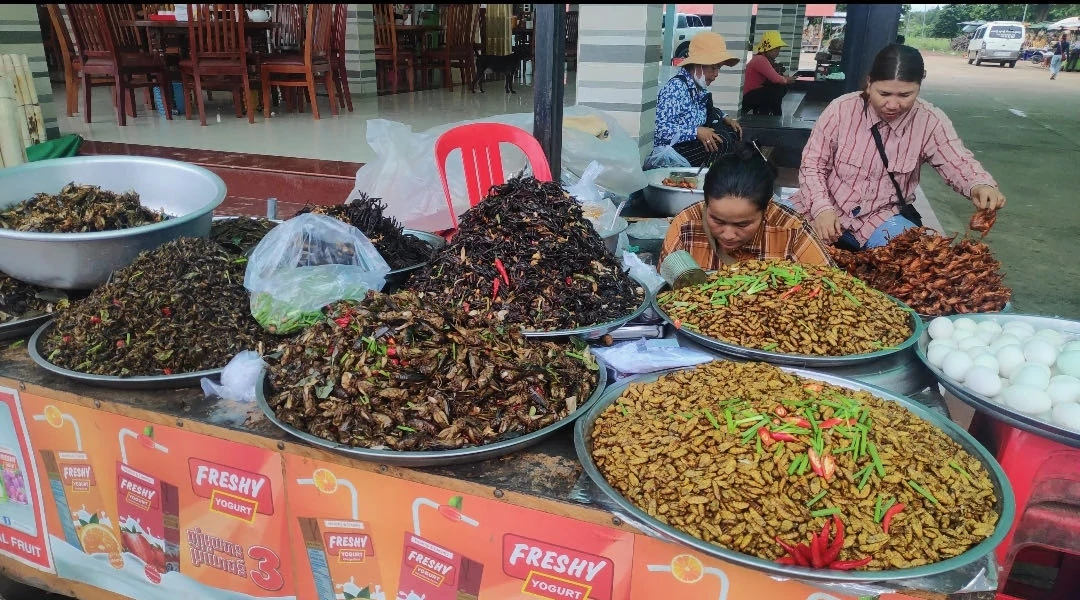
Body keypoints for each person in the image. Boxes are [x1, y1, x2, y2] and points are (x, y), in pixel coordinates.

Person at [791, 44, 1006, 251]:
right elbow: (813, 166)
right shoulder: (841, 110)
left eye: (905, 95)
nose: (893, 105)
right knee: (770, 235)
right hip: (825, 208)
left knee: (922, 265)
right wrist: (822, 209)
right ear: (869, 83)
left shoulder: (930, 121)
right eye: (883, 94)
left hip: (880, 218)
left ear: (919, 86)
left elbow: (957, 160)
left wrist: (979, 185)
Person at [659, 142, 832, 270]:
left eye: (742, 224)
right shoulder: (686, 224)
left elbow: (832, 291)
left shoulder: (792, 230)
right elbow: (664, 292)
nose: (728, 235)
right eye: (716, 220)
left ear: (766, 209)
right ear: (706, 203)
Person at [652, 32, 744, 167]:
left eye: (718, 68)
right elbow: (659, 130)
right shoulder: (676, 88)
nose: (716, 74)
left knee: (732, 132)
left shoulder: (697, 88)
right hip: (675, 151)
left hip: (691, 145)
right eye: (714, 68)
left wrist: (725, 117)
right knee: (722, 141)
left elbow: (704, 109)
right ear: (698, 64)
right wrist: (695, 132)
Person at [743, 30, 796, 116]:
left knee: (775, 89)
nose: (777, 52)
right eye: (775, 49)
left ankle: (765, 114)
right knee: (777, 89)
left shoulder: (762, 59)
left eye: (778, 49)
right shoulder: (760, 60)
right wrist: (787, 80)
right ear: (767, 49)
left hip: (754, 94)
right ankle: (777, 116)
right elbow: (775, 78)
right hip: (748, 96)